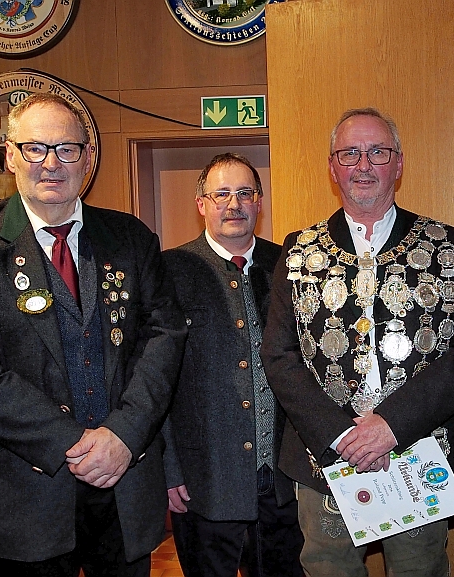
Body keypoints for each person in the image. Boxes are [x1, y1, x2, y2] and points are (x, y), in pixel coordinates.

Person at [0, 93, 187, 577]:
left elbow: (164, 338)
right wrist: (69, 441)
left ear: (87, 159)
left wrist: (123, 435)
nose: (52, 163)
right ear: (10, 155)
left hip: (124, 481)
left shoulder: (131, 238)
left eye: (67, 149)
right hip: (25, 491)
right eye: (35, 148)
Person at [260, 108, 454, 576]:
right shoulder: (298, 250)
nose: (363, 165)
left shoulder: (451, 246)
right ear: (333, 167)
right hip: (324, 458)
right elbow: (279, 355)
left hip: (420, 453)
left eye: (377, 152)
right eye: (349, 153)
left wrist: (391, 425)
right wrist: (343, 436)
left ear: (399, 163)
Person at [162, 153, 304, 577]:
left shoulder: (292, 267)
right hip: (203, 484)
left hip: (285, 483)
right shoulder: (168, 271)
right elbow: (153, 380)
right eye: (220, 194)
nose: (234, 204)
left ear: (259, 201)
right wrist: (168, 469)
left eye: (245, 193)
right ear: (201, 204)